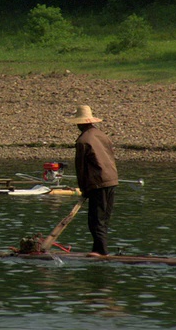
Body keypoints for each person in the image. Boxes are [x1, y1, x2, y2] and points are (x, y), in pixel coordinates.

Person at [66, 105, 119, 257]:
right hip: (112, 180)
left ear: (80, 123)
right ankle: (98, 249)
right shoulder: (102, 135)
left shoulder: (83, 141)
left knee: (95, 220)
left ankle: (101, 251)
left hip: (98, 183)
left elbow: (81, 168)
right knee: (103, 218)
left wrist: (83, 188)